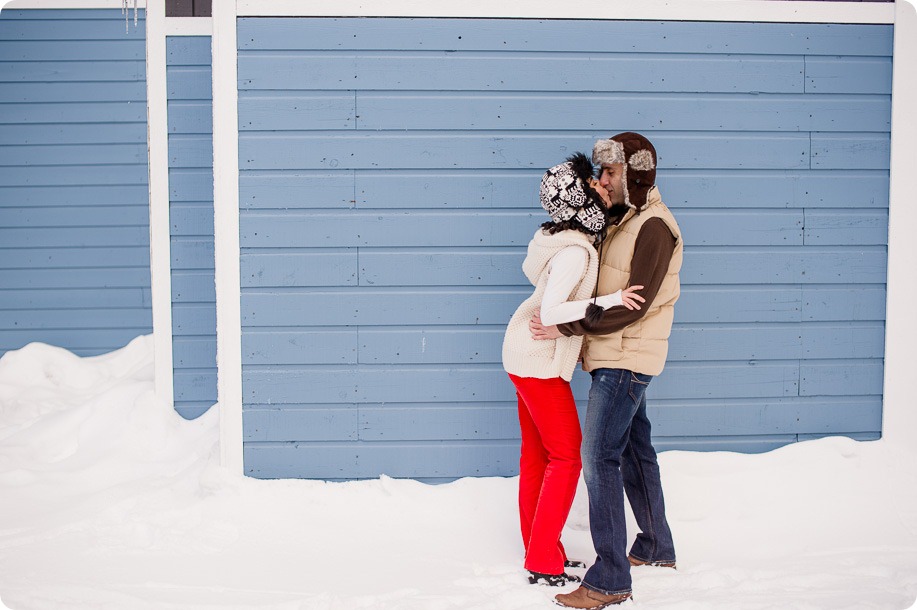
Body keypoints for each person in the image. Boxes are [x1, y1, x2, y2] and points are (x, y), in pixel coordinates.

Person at [530, 133, 683, 609]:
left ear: (635, 174)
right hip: (618, 354)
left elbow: (633, 305)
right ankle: (655, 546)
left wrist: (565, 326)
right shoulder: (626, 220)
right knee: (636, 450)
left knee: (598, 458)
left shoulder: (654, 227)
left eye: (611, 173)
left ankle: (610, 579)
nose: (603, 181)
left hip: (625, 358)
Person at [502, 152, 646, 588]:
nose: (604, 185)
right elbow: (552, 312)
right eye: (595, 183)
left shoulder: (561, 240)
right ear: (580, 200)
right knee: (567, 456)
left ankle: (539, 549)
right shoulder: (575, 251)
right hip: (537, 363)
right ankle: (544, 558)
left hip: (523, 357)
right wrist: (611, 299)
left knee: (539, 457)